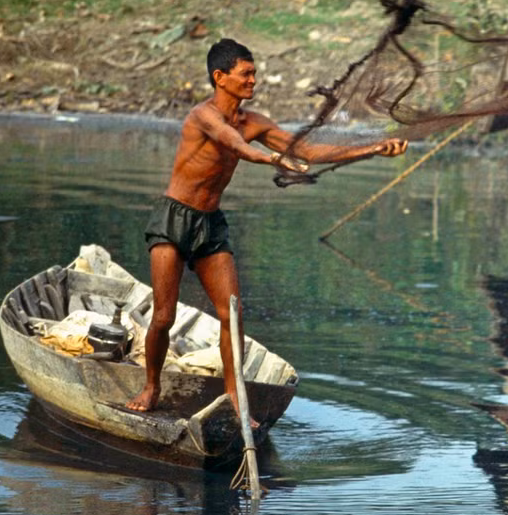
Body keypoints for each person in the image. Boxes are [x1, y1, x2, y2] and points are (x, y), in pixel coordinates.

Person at [125, 38, 407, 425]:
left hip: (210, 224)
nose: (253, 80)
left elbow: (307, 151)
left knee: (233, 313)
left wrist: (372, 148)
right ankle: (151, 386)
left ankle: (234, 398)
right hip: (174, 218)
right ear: (220, 77)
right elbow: (234, 144)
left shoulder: (254, 121)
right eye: (246, 74)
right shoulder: (203, 115)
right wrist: (271, 158)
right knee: (163, 316)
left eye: (254, 73)